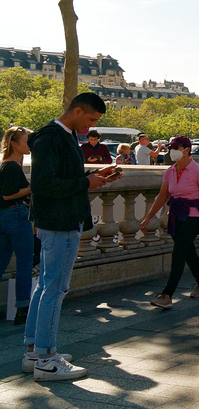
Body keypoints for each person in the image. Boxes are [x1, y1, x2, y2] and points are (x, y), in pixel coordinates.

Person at [24, 93, 119, 381]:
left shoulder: (56, 136)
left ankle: (36, 351)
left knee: (45, 287)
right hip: (60, 221)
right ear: (77, 111)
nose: (91, 127)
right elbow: (43, 184)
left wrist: (92, 175)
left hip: (57, 220)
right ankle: (45, 358)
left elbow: (56, 177)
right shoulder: (54, 137)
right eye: (90, 120)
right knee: (54, 289)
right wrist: (86, 181)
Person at [140, 136, 199, 308]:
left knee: (178, 252)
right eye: (170, 148)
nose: (171, 151)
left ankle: (167, 294)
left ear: (186, 150)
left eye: (175, 148)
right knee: (188, 251)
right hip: (176, 215)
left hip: (193, 216)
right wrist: (149, 216)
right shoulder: (170, 171)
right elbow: (162, 196)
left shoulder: (197, 170)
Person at [1, 127, 35, 325]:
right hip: (15, 215)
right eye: (26, 141)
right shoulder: (12, 166)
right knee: (24, 262)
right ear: (14, 143)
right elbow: (8, 194)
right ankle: (23, 307)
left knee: (2, 261)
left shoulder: (5, 165)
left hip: (4, 217)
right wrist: (32, 188)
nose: (29, 145)